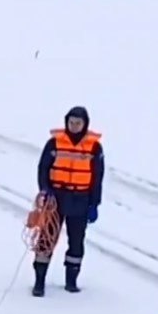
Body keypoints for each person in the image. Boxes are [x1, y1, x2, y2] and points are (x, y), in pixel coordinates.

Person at [32, 106, 106, 296]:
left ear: (85, 124)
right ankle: (39, 281)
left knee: (76, 241)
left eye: (78, 123)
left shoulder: (94, 148)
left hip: (80, 199)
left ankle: (71, 281)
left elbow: (97, 177)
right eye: (71, 122)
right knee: (46, 239)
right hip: (55, 198)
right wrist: (45, 190)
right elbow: (43, 168)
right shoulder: (54, 143)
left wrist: (94, 204)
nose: (74, 126)